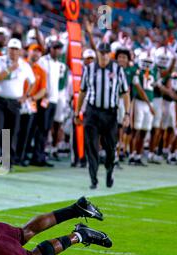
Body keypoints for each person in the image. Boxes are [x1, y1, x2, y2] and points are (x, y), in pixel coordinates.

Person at [75, 43, 131, 189]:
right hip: (92, 112)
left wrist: (127, 114)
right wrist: (77, 112)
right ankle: (93, 179)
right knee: (91, 146)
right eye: (102, 52)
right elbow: (82, 92)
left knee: (110, 148)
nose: (104, 55)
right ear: (97, 53)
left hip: (110, 114)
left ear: (109, 54)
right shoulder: (89, 69)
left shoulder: (117, 70)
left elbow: (125, 93)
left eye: (107, 53)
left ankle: (109, 170)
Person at [0, 38, 35, 167]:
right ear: (7, 49)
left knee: (12, 131)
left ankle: (8, 160)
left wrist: (25, 96)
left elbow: (32, 82)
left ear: (20, 51)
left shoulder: (25, 65)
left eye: (16, 49)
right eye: (11, 49)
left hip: (14, 102)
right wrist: (9, 69)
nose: (13, 52)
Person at [31, 39, 64, 167]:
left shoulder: (59, 64)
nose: (57, 51)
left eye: (59, 48)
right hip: (44, 99)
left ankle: (41, 155)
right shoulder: (43, 61)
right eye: (55, 48)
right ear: (50, 48)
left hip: (54, 99)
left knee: (46, 129)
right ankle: (37, 156)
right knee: (41, 128)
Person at [129, 51, 157, 166]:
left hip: (149, 102)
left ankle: (138, 156)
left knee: (144, 131)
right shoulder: (137, 70)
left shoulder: (153, 72)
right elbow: (138, 87)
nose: (146, 64)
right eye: (144, 61)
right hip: (139, 102)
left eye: (149, 62)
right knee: (135, 130)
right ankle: (132, 155)